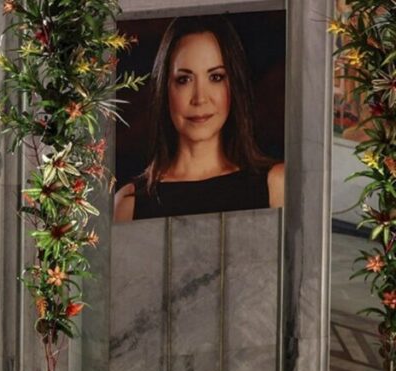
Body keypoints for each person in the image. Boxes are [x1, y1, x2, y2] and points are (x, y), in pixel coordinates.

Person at [114, 15, 284, 222]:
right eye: (184, 80)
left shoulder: (275, 184)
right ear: (164, 89)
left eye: (216, 77)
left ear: (233, 85)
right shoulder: (129, 205)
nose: (200, 98)